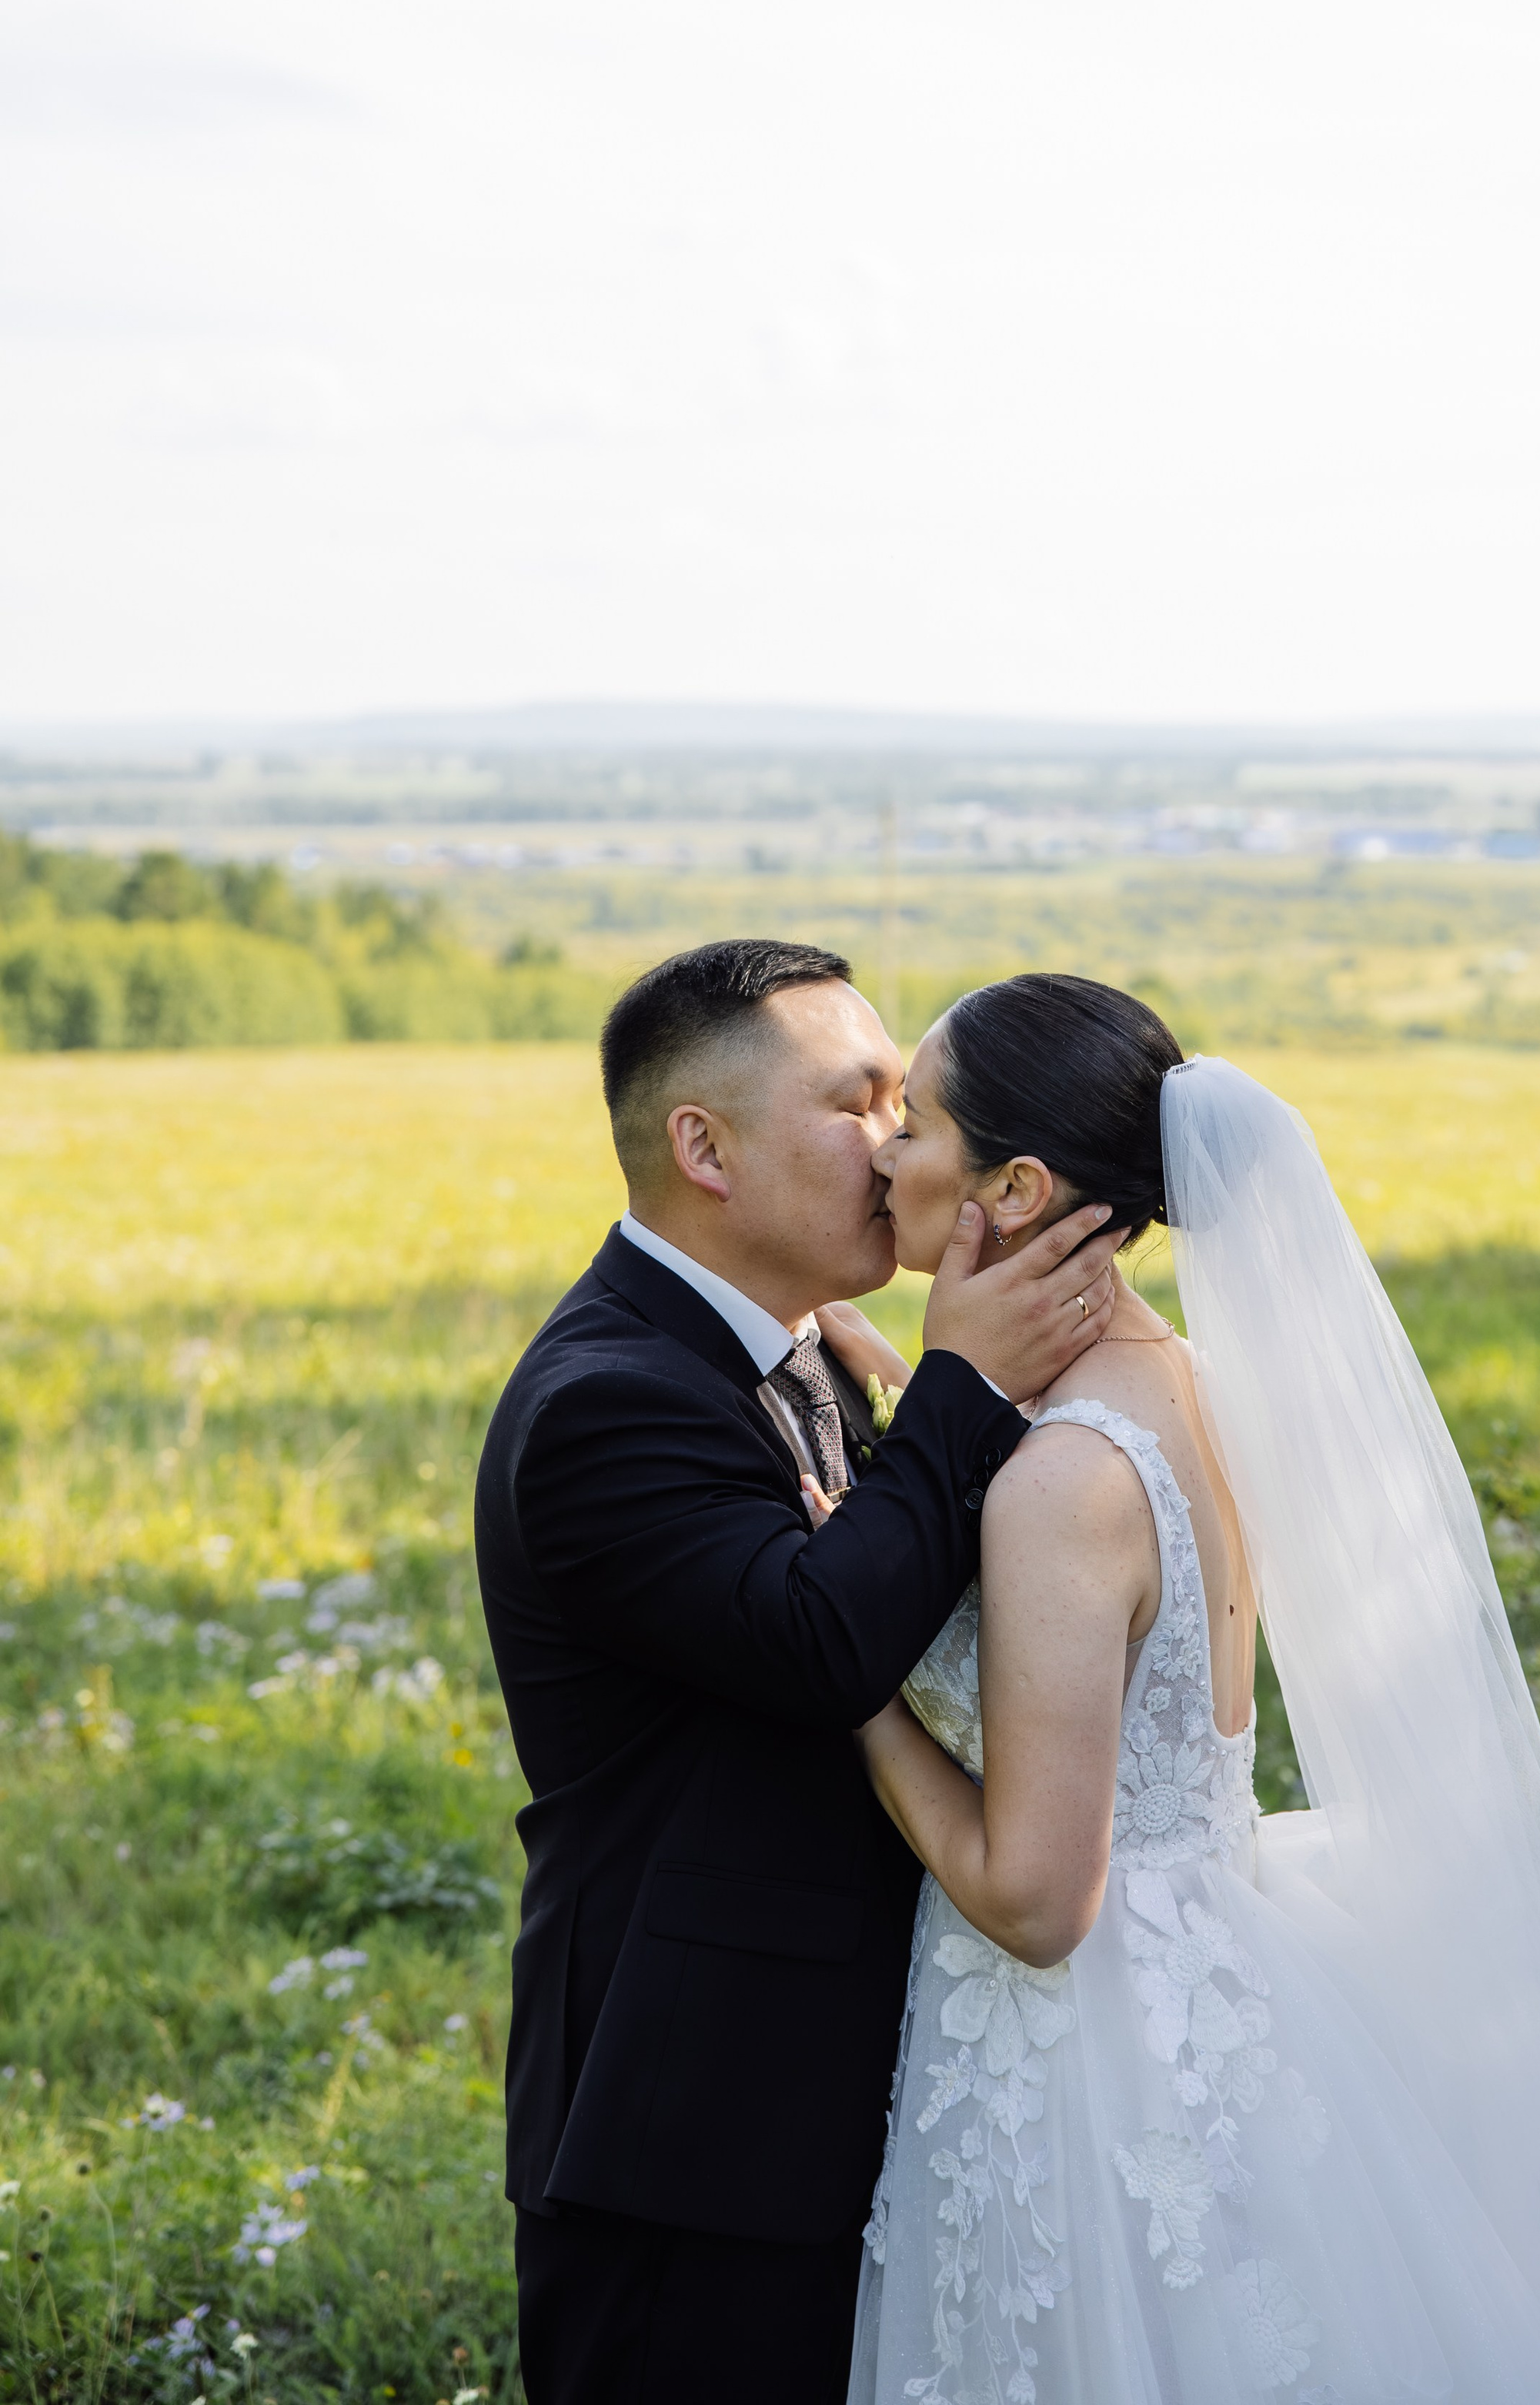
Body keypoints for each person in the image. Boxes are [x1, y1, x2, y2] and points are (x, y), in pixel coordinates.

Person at [832, 972, 1540, 2405]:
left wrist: (858, 1691)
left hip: (1091, 2064)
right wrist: (927, 1387)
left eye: (916, 1122)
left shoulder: (1064, 1484)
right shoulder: (1185, 1383)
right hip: (1219, 1971)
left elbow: (1036, 1901)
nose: (884, 1150)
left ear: (1015, 1189)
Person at [473, 940, 1126, 2405]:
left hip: (850, 2095)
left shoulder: (805, 1345)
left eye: (905, 1104)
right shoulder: (603, 1403)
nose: (894, 1144)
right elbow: (823, 1644)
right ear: (703, 1148)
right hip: (691, 2128)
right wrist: (961, 1383)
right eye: (856, 1102)